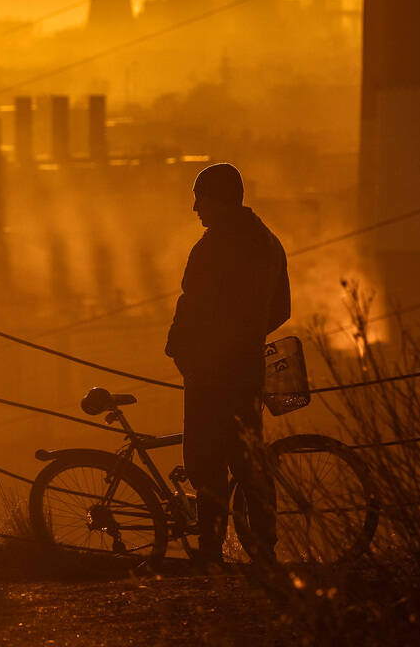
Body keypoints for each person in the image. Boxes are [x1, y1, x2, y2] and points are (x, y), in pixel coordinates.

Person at [165, 163, 289, 568]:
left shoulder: (213, 248)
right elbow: (281, 309)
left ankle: (211, 549)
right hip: (246, 368)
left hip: (209, 372)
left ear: (219, 200)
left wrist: (184, 350)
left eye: (201, 197)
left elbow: (194, 307)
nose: (195, 208)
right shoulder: (268, 242)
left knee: (205, 459)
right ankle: (262, 548)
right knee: (249, 459)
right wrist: (248, 338)